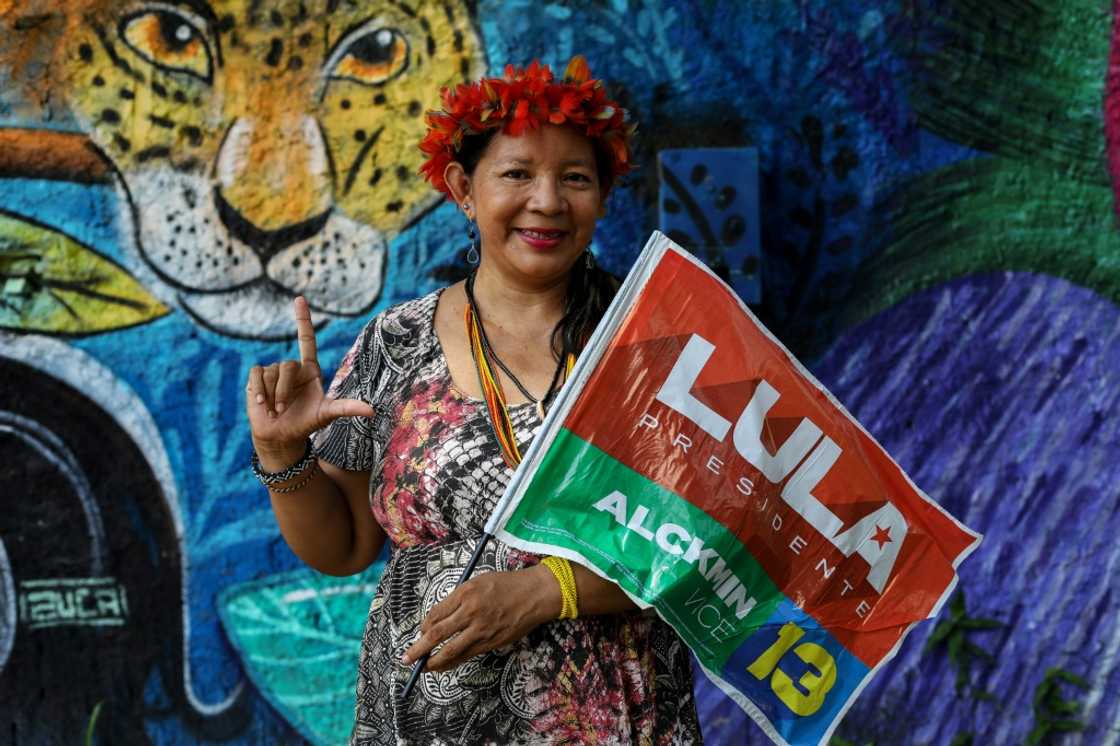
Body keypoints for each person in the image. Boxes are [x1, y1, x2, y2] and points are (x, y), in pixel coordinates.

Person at [245, 56, 702, 744]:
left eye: (575, 178)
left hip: (611, 721)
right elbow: (342, 547)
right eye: (516, 174)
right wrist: (281, 453)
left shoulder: (658, 342)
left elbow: (716, 545)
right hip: (422, 725)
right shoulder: (395, 344)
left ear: (604, 195)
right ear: (464, 187)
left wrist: (547, 592)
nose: (546, 201)